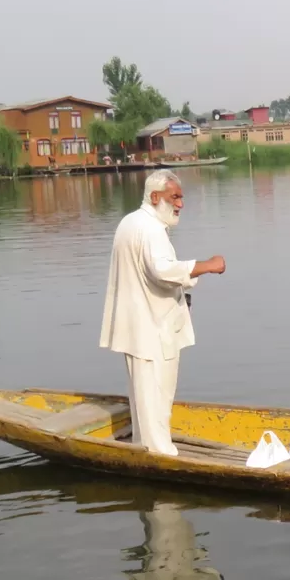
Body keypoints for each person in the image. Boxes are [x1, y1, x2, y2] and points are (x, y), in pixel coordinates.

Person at [99, 169, 226, 455]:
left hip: (140, 323)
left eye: (181, 197)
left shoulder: (129, 222)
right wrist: (208, 265)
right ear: (155, 197)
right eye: (175, 197)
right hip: (153, 327)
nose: (180, 204)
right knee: (156, 394)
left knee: (144, 395)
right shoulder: (150, 229)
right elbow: (162, 270)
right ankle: (159, 454)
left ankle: (145, 446)